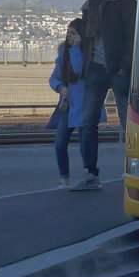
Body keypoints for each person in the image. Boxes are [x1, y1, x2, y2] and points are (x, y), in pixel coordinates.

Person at [72, 0, 137, 191]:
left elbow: (134, 36)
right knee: (88, 122)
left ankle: (132, 169)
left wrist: (124, 67)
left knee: (127, 124)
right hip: (98, 70)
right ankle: (90, 173)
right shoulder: (91, 7)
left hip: (116, 70)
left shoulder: (125, 2)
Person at [47, 19, 104, 189]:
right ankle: (64, 177)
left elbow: (79, 69)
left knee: (85, 143)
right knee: (60, 143)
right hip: (68, 104)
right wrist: (60, 87)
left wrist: (76, 49)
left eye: (73, 33)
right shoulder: (63, 53)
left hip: (85, 104)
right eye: (68, 33)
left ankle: (88, 174)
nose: (69, 36)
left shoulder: (87, 53)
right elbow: (53, 78)